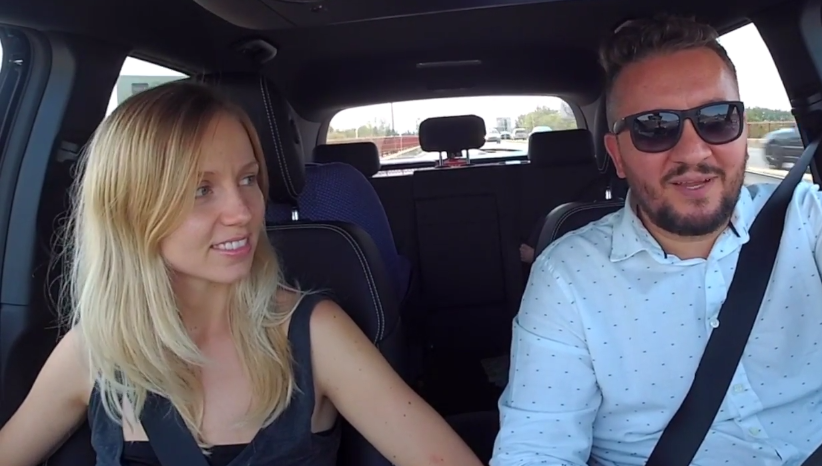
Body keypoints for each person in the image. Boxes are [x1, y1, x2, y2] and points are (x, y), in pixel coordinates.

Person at [0, 81, 483, 466]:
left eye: (248, 178)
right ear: (131, 210)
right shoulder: (95, 351)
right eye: (201, 189)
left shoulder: (313, 335)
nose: (244, 211)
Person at [491, 14, 822, 466]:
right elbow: (537, 448)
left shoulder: (811, 217)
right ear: (618, 155)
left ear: (742, 128)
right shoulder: (568, 277)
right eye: (654, 127)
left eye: (717, 119)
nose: (693, 151)